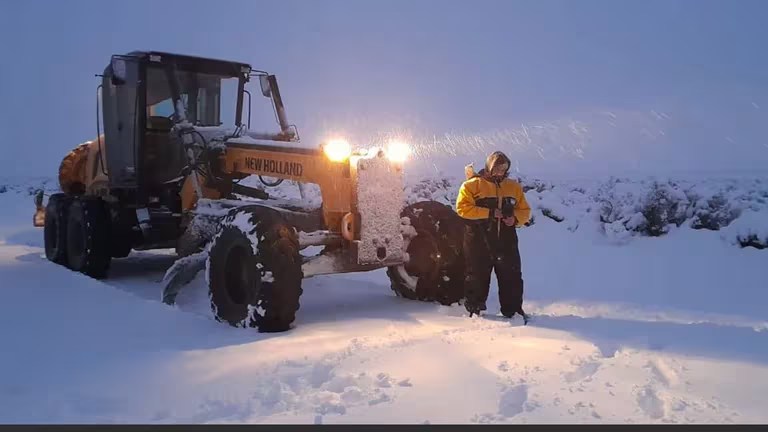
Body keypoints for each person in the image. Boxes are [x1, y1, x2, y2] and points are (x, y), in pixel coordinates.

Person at [455, 151, 532, 323]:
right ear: (489, 167)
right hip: (478, 239)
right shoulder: (471, 186)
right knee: (477, 276)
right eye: (497, 168)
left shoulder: (513, 187)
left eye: (504, 168)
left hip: (506, 240)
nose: (500, 172)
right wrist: (490, 213)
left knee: (511, 276)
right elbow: (462, 208)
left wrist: (516, 219)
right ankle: (474, 310)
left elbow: (525, 211)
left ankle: (513, 311)